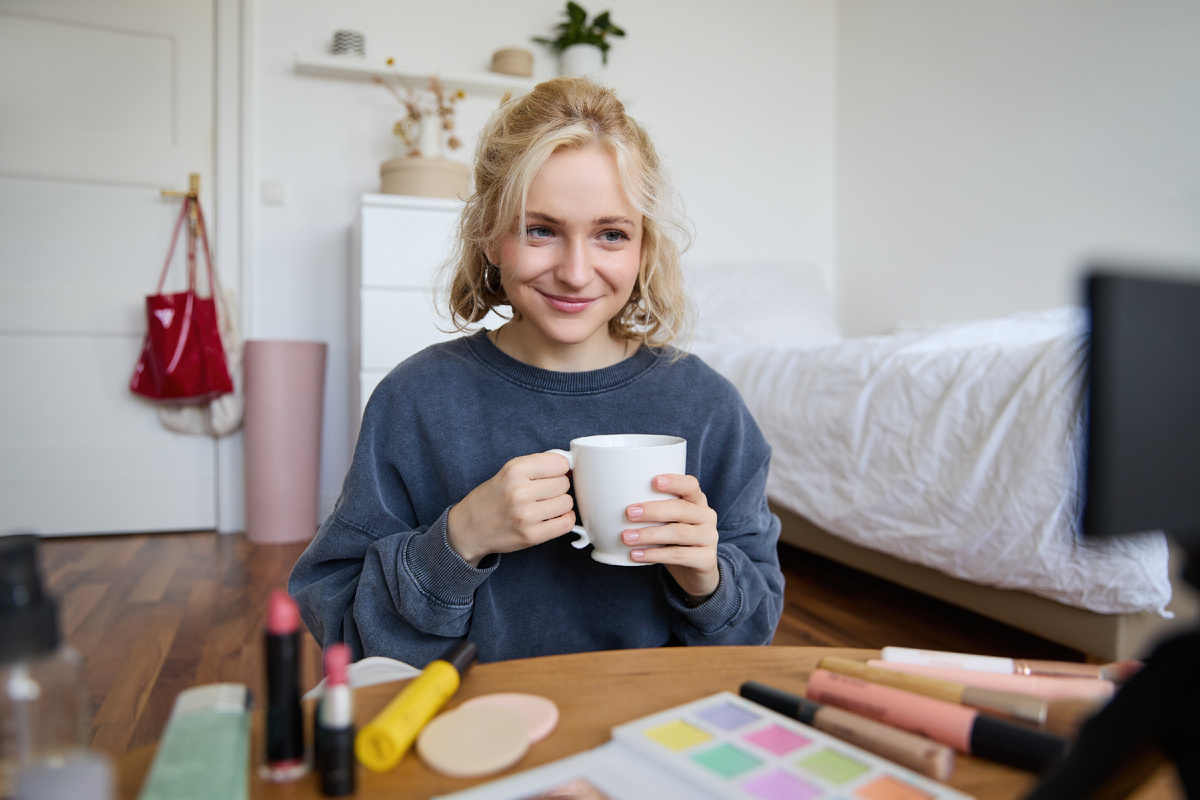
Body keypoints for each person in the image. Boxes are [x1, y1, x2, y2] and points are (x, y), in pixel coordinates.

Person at [289, 77, 784, 668]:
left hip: (648, 720)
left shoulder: (707, 407)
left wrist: (707, 578)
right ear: (492, 237)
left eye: (610, 234)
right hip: (467, 724)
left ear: (645, 248)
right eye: (540, 230)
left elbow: (752, 634)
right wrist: (457, 542)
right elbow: (339, 625)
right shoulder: (416, 400)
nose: (576, 272)